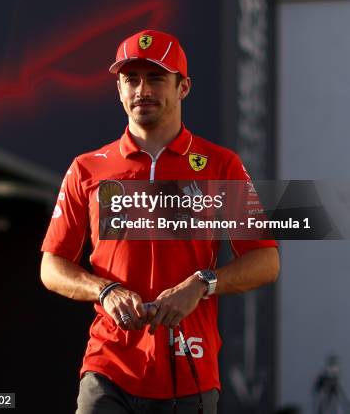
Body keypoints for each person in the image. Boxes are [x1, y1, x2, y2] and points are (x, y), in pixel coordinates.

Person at [40, 29, 279, 413]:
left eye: (155, 78)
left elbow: (266, 261)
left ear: (183, 87)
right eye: (130, 79)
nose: (141, 90)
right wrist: (104, 290)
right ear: (118, 89)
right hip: (108, 365)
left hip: (189, 368)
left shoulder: (221, 165)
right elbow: (51, 266)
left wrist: (203, 283)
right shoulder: (87, 168)